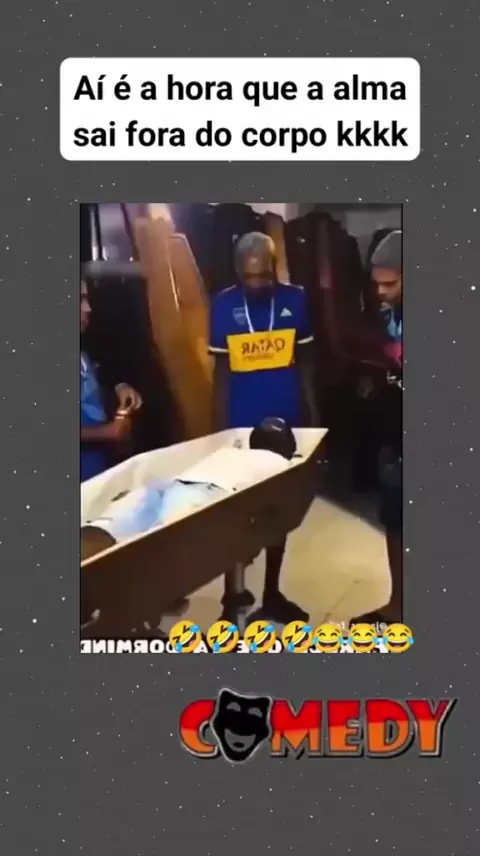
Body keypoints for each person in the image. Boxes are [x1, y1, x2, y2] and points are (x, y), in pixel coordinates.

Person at [208, 232, 319, 624]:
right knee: (236, 515)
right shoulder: (223, 305)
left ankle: (272, 593)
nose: (257, 284)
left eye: (264, 275)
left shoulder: (296, 299)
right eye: (249, 276)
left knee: (279, 512)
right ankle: (231, 599)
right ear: (238, 271)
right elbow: (221, 374)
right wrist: (216, 432)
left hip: (287, 420)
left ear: (275, 267)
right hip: (241, 425)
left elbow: (306, 364)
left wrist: (313, 418)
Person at [351, 229, 403, 626]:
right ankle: (397, 606)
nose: (381, 292)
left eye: (391, 284)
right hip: (394, 436)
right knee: (395, 522)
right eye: (377, 284)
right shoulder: (387, 316)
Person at [80, 277, 142, 482]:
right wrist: (106, 432)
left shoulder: (84, 347)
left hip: (99, 469)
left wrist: (119, 388)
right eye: (79, 300)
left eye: (86, 299)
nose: (88, 308)